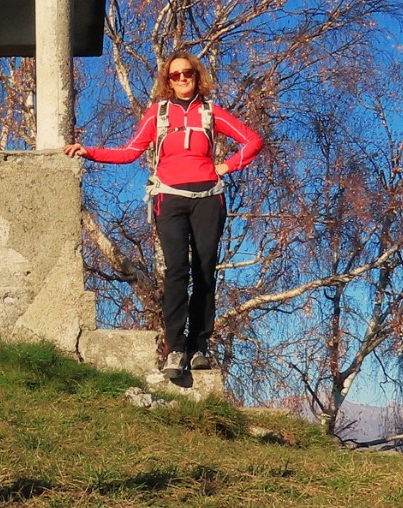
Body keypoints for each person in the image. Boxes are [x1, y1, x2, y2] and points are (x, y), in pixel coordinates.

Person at [64, 50, 262, 379]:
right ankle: (175, 349)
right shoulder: (158, 113)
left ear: (197, 78)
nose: (182, 79)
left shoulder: (211, 112)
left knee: (204, 271)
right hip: (169, 198)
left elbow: (253, 141)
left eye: (188, 74)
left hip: (208, 199)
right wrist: (90, 152)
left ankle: (200, 346)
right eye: (175, 75)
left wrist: (225, 166)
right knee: (176, 271)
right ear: (167, 81)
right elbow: (130, 152)